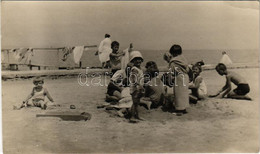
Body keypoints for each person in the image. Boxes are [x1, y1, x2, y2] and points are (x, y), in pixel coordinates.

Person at [168, 44, 189, 116]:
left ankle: (179, 110)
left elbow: (171, 71)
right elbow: (188, 69)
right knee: (184, 93)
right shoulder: (183, 59)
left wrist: (170, 79)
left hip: (179, 77)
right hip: (185, 76)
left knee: (178, 94)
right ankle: (184, 108)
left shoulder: (173, 61)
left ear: (173, 53)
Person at [129, 51, 145, 123]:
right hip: (135, 88)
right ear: (133, 61)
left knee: (137, 102)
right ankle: (132, 116)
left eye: (139, 59)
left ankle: (137, 115)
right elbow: (134, 79)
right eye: (136, 59)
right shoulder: (134, 69)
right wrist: (138, 85)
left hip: (139, 87)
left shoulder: (139, 68)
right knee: (134, 102)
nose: (138, 61)